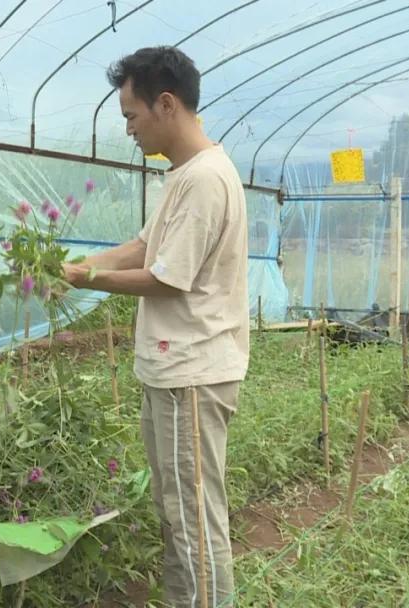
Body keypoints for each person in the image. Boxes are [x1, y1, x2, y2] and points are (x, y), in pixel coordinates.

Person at [62, 46, 248, 608]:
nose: (129, 130)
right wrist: (79, 265)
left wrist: (83, 282)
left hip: (190, 374)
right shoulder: (186, 174)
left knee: (192, 514)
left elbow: (168, 279)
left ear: (165, 104)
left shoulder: (205, 179)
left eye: (131, 116)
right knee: (179, 508)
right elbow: (146, 247)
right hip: (177, 371)